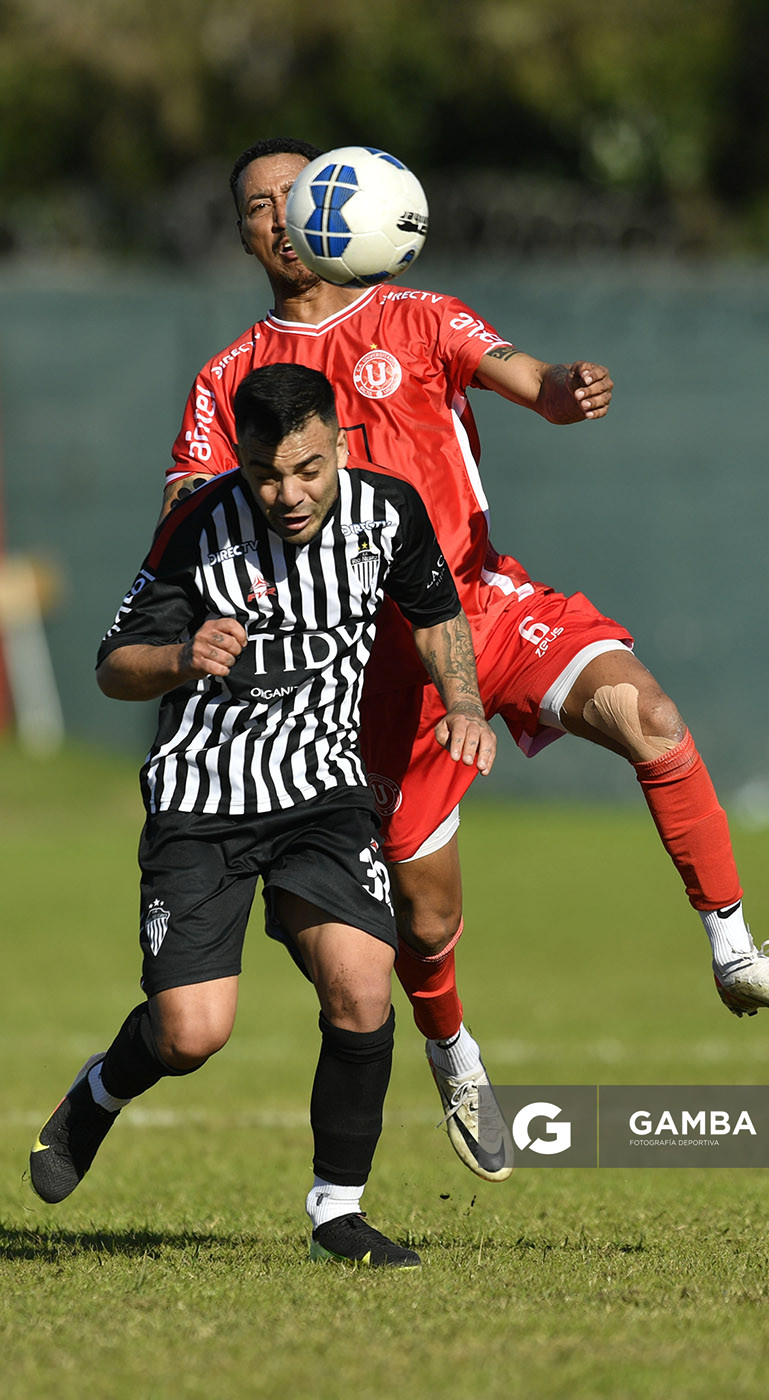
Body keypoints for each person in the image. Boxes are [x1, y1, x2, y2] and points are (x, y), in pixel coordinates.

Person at [163, 137, 769, 1180]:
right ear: (250, 231)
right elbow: (190, 501)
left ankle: (736, 949)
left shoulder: (422, 315)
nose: (288, 213)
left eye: (303, 192)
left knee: (648, 716)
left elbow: (524, 376)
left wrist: (562, 388)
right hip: (362, 672)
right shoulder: (230, 375)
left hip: (484, 607)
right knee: (424, 918)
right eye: (263, 204)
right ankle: (453, 1049)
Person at [30, 364, 497, 1268]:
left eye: (308, 470)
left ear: (339, 445)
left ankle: (337, 1212)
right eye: (266, 474)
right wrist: (179, 655)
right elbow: (111, 666)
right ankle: (98, 1093)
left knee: (363, 987)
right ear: (240, 462)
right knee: (190, 1033)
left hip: (323, 792)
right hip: (203, 801)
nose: (288, 494)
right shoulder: (199, 527)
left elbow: (437, 615)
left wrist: (465, 703)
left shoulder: (388, 513)